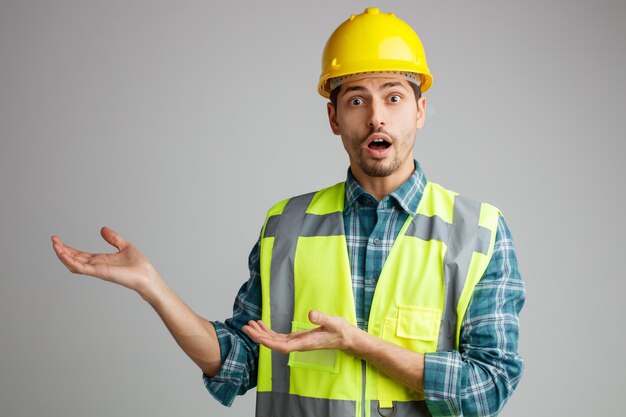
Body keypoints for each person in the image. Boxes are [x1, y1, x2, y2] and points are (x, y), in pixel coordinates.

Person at [51, 7, 524, 417]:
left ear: (420, 110)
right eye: (357, 99)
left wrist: (358, 343)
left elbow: (488, 389)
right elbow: (237, 362)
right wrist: (153, 287)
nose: (377, 116)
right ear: (334, 118)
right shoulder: (287, 226)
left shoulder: (478, 232)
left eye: (394, 96)